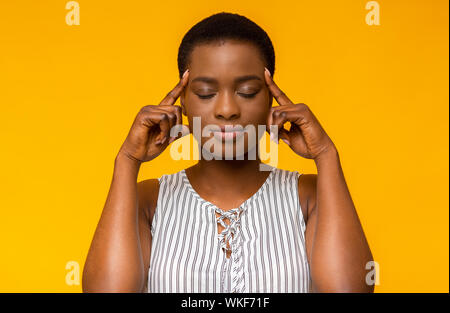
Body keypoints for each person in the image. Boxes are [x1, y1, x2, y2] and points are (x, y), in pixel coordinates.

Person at [82, 12, 374, 293]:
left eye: (247, 91)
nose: (227, 110)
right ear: (181, 103)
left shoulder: (309, 196)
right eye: (206, 93)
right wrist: (127, 160)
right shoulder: (148, 200)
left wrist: (326, 154)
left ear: (272, 99)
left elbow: (348, 289)